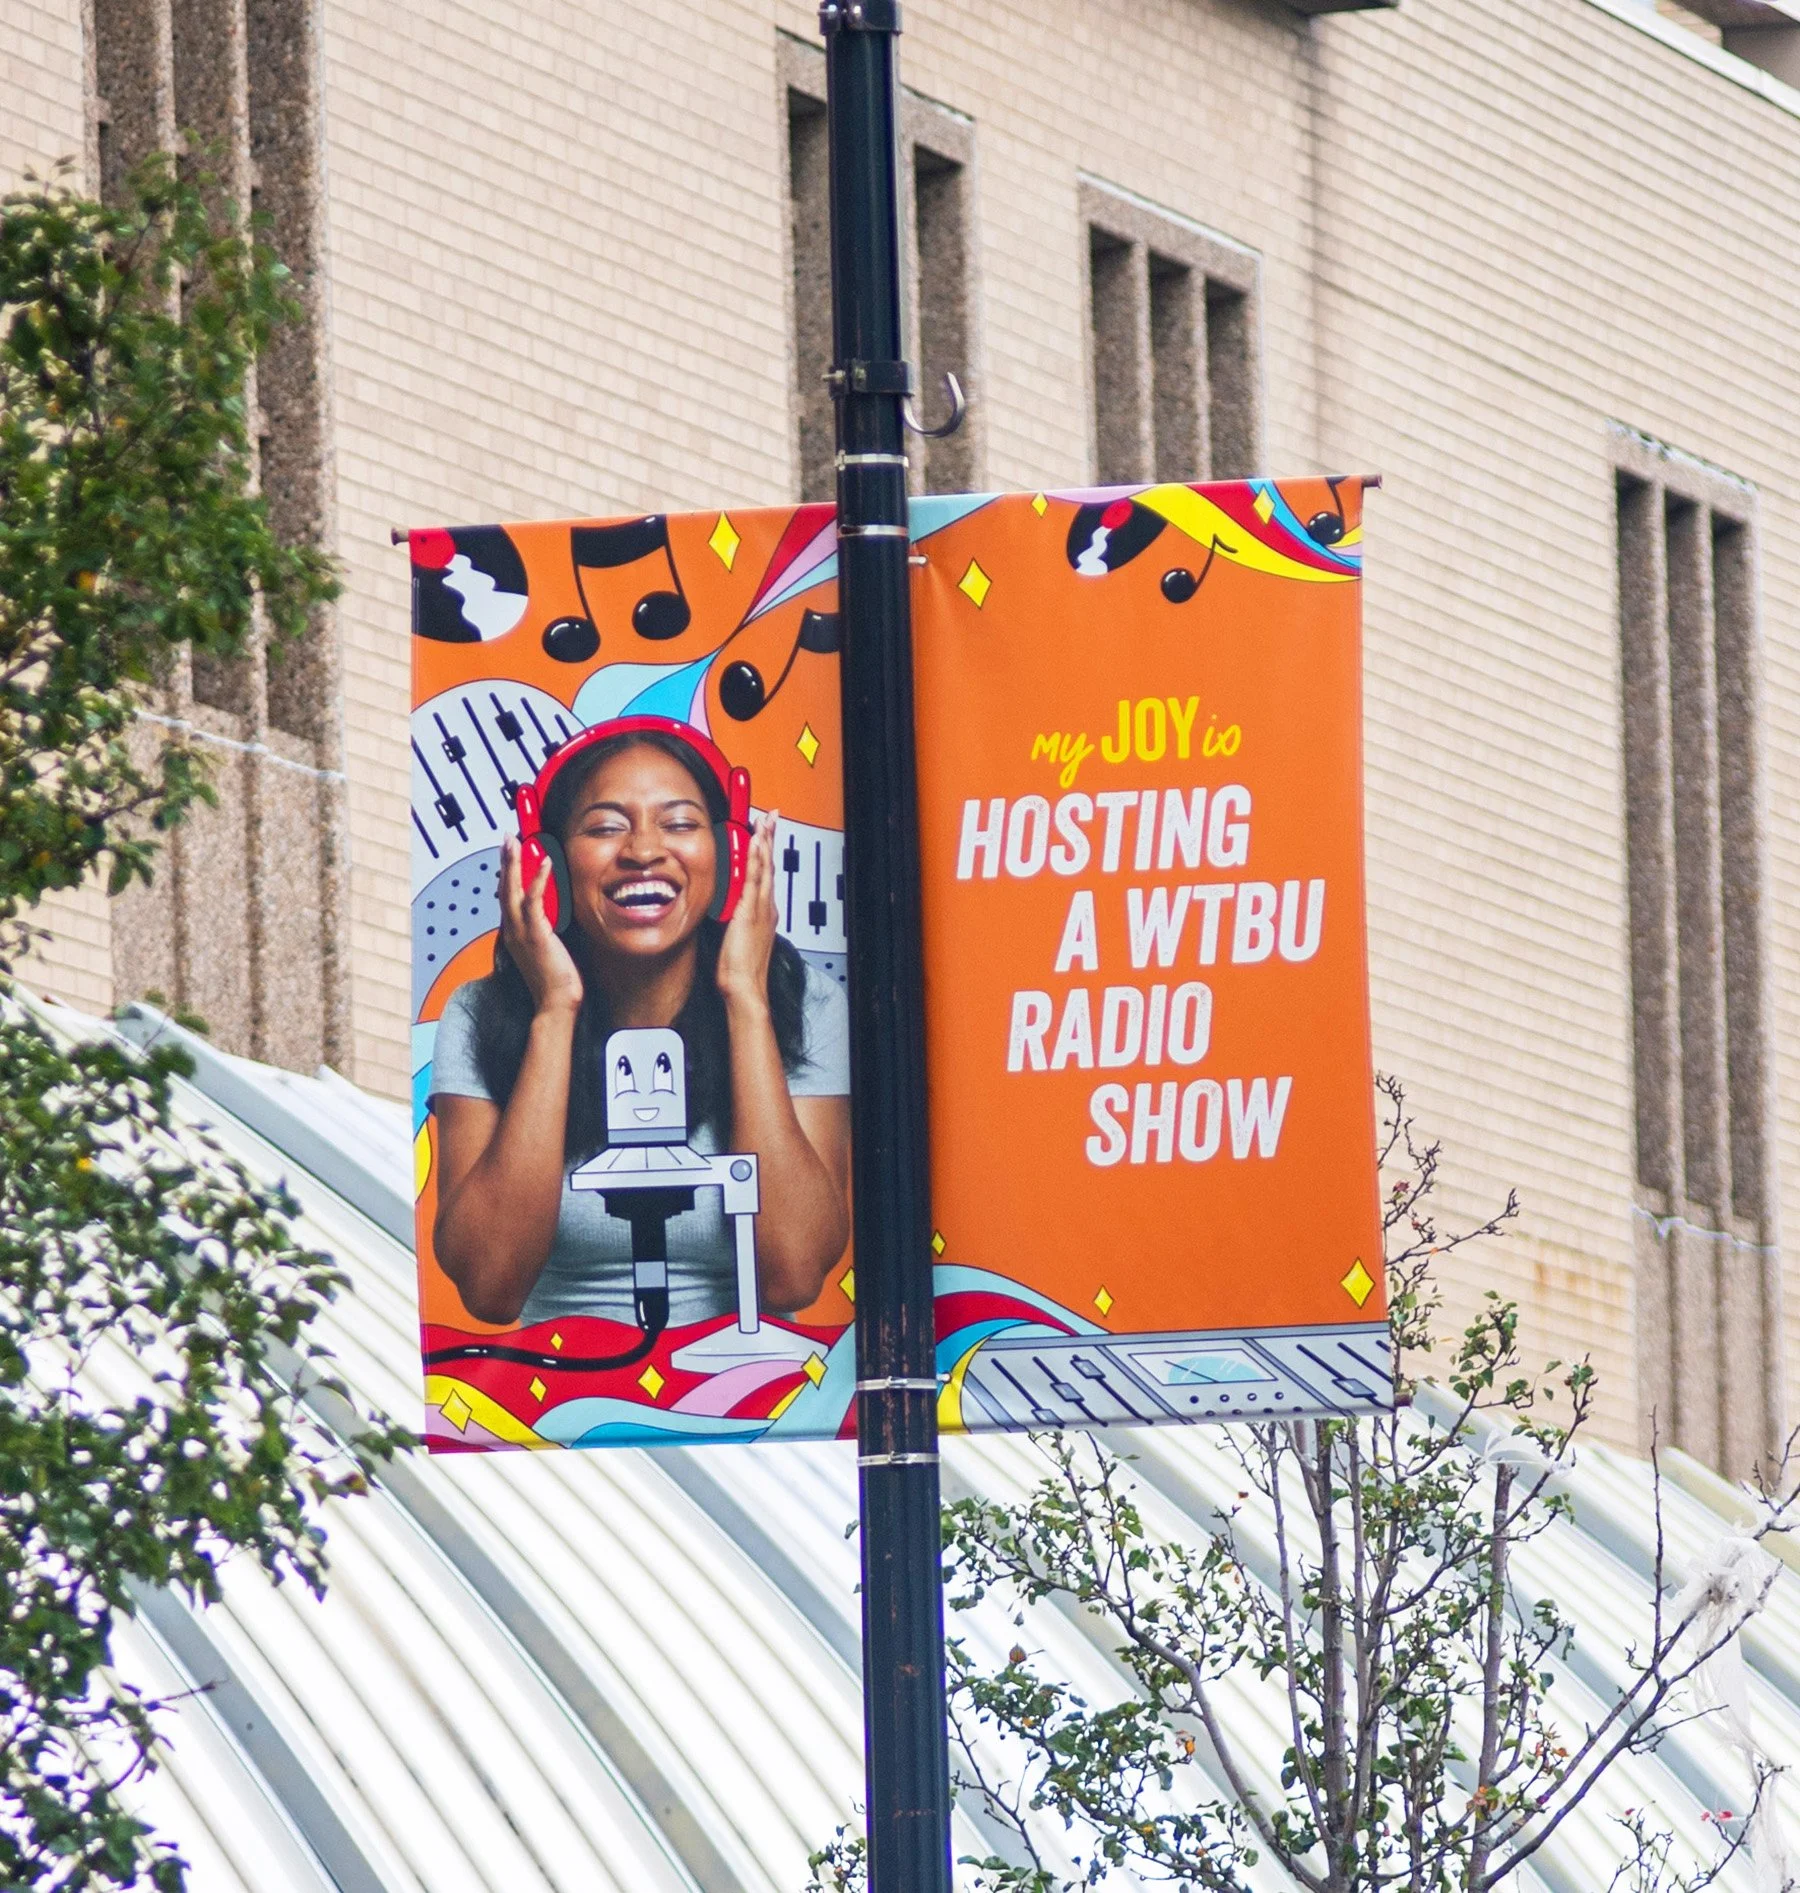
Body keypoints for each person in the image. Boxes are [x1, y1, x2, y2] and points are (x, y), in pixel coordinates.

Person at [429, 728, 851, 1329]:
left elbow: (793, 1273)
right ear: (546, 862)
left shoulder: (803, 1004)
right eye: (604, 828)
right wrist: (553, 1010)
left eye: (679, 824)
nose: (644, 850)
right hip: (558, 1403)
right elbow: (491, 1288)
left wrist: (746, 1000)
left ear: (730, 852)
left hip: (758, 1408)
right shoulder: (480, 1014)